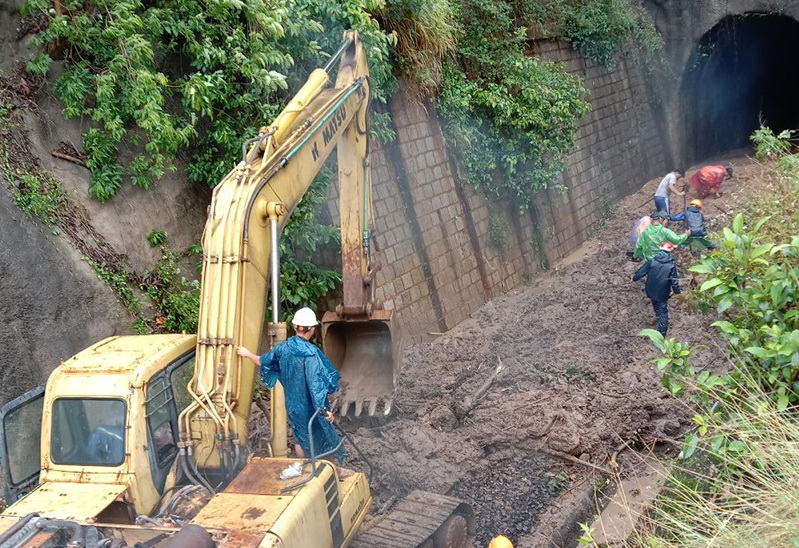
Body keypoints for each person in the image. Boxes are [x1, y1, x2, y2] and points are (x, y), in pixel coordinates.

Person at [237, 307, 346, 462]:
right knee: (320, 433)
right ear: (312, 329)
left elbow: (262, 361)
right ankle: (322, 467)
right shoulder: (312, 354)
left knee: (300, 436)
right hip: (313, 406)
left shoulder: (283, 348)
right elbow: (317, 388)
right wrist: (324, 411)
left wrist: (247, 353)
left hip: (294, 405)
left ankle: (304, 467)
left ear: (295, 327)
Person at [632, 241, 681, 336]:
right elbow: (674, 281)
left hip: (650, 290)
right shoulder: (671, 265)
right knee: (663, 311)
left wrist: (634, 278)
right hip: (663, 292)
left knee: (655, 304)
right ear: (669, 252)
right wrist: (678, 293)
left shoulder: (652, 261)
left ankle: (658, 317)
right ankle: (661, 334)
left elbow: (641, 272)